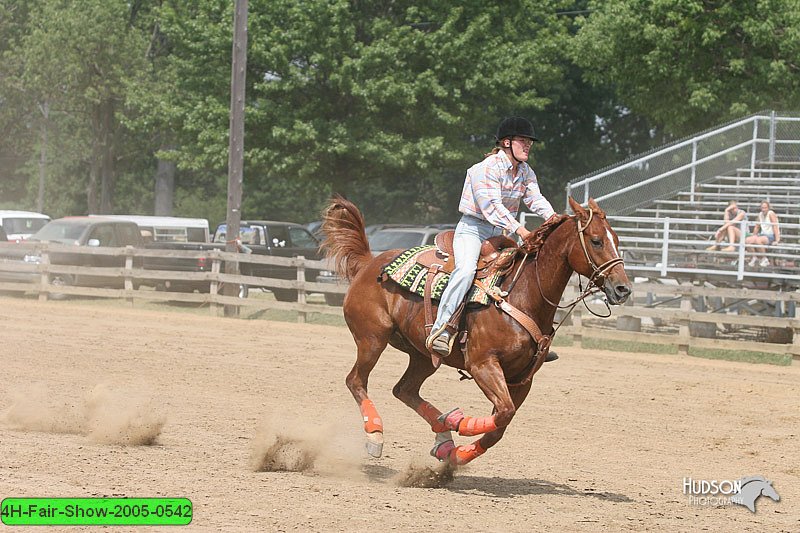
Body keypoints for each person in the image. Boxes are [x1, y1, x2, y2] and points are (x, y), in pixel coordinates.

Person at [425, 116, 557, 357]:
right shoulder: (485, 168)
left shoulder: (525, 171)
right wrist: (521, 230)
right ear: (506, 143)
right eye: (522, 141)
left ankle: (531, 336)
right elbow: (492, 206)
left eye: (529, 142)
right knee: (465, 271)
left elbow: (535, 199)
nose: (528, 145)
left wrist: (554, 218)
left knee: (523, 275)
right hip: (473, 229)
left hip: (500, 232)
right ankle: (441, 329)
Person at [745, 200, 780, 267]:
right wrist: (753, 236)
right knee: (748, 240)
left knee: (758, 240)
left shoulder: (771, 213)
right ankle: (754, 257)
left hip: (771, 235)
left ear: (768, 208)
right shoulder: (760, 214)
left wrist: (777, 240)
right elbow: (757, 227)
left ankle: (764, 258)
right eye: (762, 208)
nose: (763, 209)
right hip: (762, 235)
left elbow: (775, 226)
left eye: (765, 208)